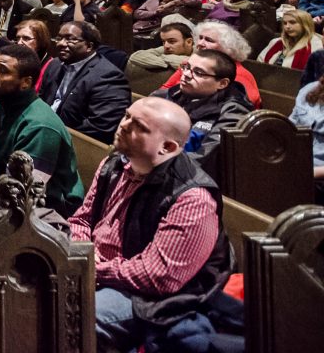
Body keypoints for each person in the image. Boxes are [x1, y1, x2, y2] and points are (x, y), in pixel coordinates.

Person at [68, 98, 231, 353]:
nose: (123, 125)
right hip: (99, 268)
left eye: (138, 126)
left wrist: (91, 266)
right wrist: (80, 249)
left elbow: (159, 277)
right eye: (126, 116)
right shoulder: (115, 164)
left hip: (152, 298)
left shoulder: (192, 197)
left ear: (167, 146)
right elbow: (82, 219)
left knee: (70, 314)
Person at [0, 44, 84, 216]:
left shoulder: (40, 126)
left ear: (26, 82)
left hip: (50, 206)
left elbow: (23, 193)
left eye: (3, 71)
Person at [151, 49, 252, 177]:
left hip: (189, 181)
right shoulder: (165, 95)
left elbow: (204, 159)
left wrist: (152, 165)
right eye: (186, 67)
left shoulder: (233, 112)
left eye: (198, 73)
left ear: (222, 83)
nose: (186, 74)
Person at [38, 21, 131, 143]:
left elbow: (100, 127)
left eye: (70, 40)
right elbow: (41, 99)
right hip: (43, 130)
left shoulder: (108, 76)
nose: (61, 43)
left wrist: (54, 133)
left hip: (72, 142)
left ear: (89, 46)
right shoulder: (55, 65)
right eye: (59, 38)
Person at [158, 20, 262, 110]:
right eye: (200, 38)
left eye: (209, 40)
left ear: (228, 47)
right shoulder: (189, 64)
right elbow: (165, 89)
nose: (200, 43)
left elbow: (242, 107)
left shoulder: (239, 75)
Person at [125, 17, 194, 86]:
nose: (166, 46)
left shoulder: (200, 52)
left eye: (172, 41)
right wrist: (166, 61)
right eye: (163, 42)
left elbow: (193, 65)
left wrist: (163, 58)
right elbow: (136, 56)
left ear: (189, 42)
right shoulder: (165, 49)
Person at [288, 78, 324, 203]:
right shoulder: (310, 88)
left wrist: (309, 172)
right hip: (295, 163)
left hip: (318, 175)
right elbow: (289, 128)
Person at [256, 8, 323, 69]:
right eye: (285, 23)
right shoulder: (276, 42)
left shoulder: (315, 44)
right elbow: (259, 63)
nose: (287, 26)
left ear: (304, 24)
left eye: (292, 22)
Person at [14, 18, 60, 90]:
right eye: (18, 38)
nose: (19, 42)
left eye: (26, 38)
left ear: (40, 41)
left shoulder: (52, 67)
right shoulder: (16, 60)